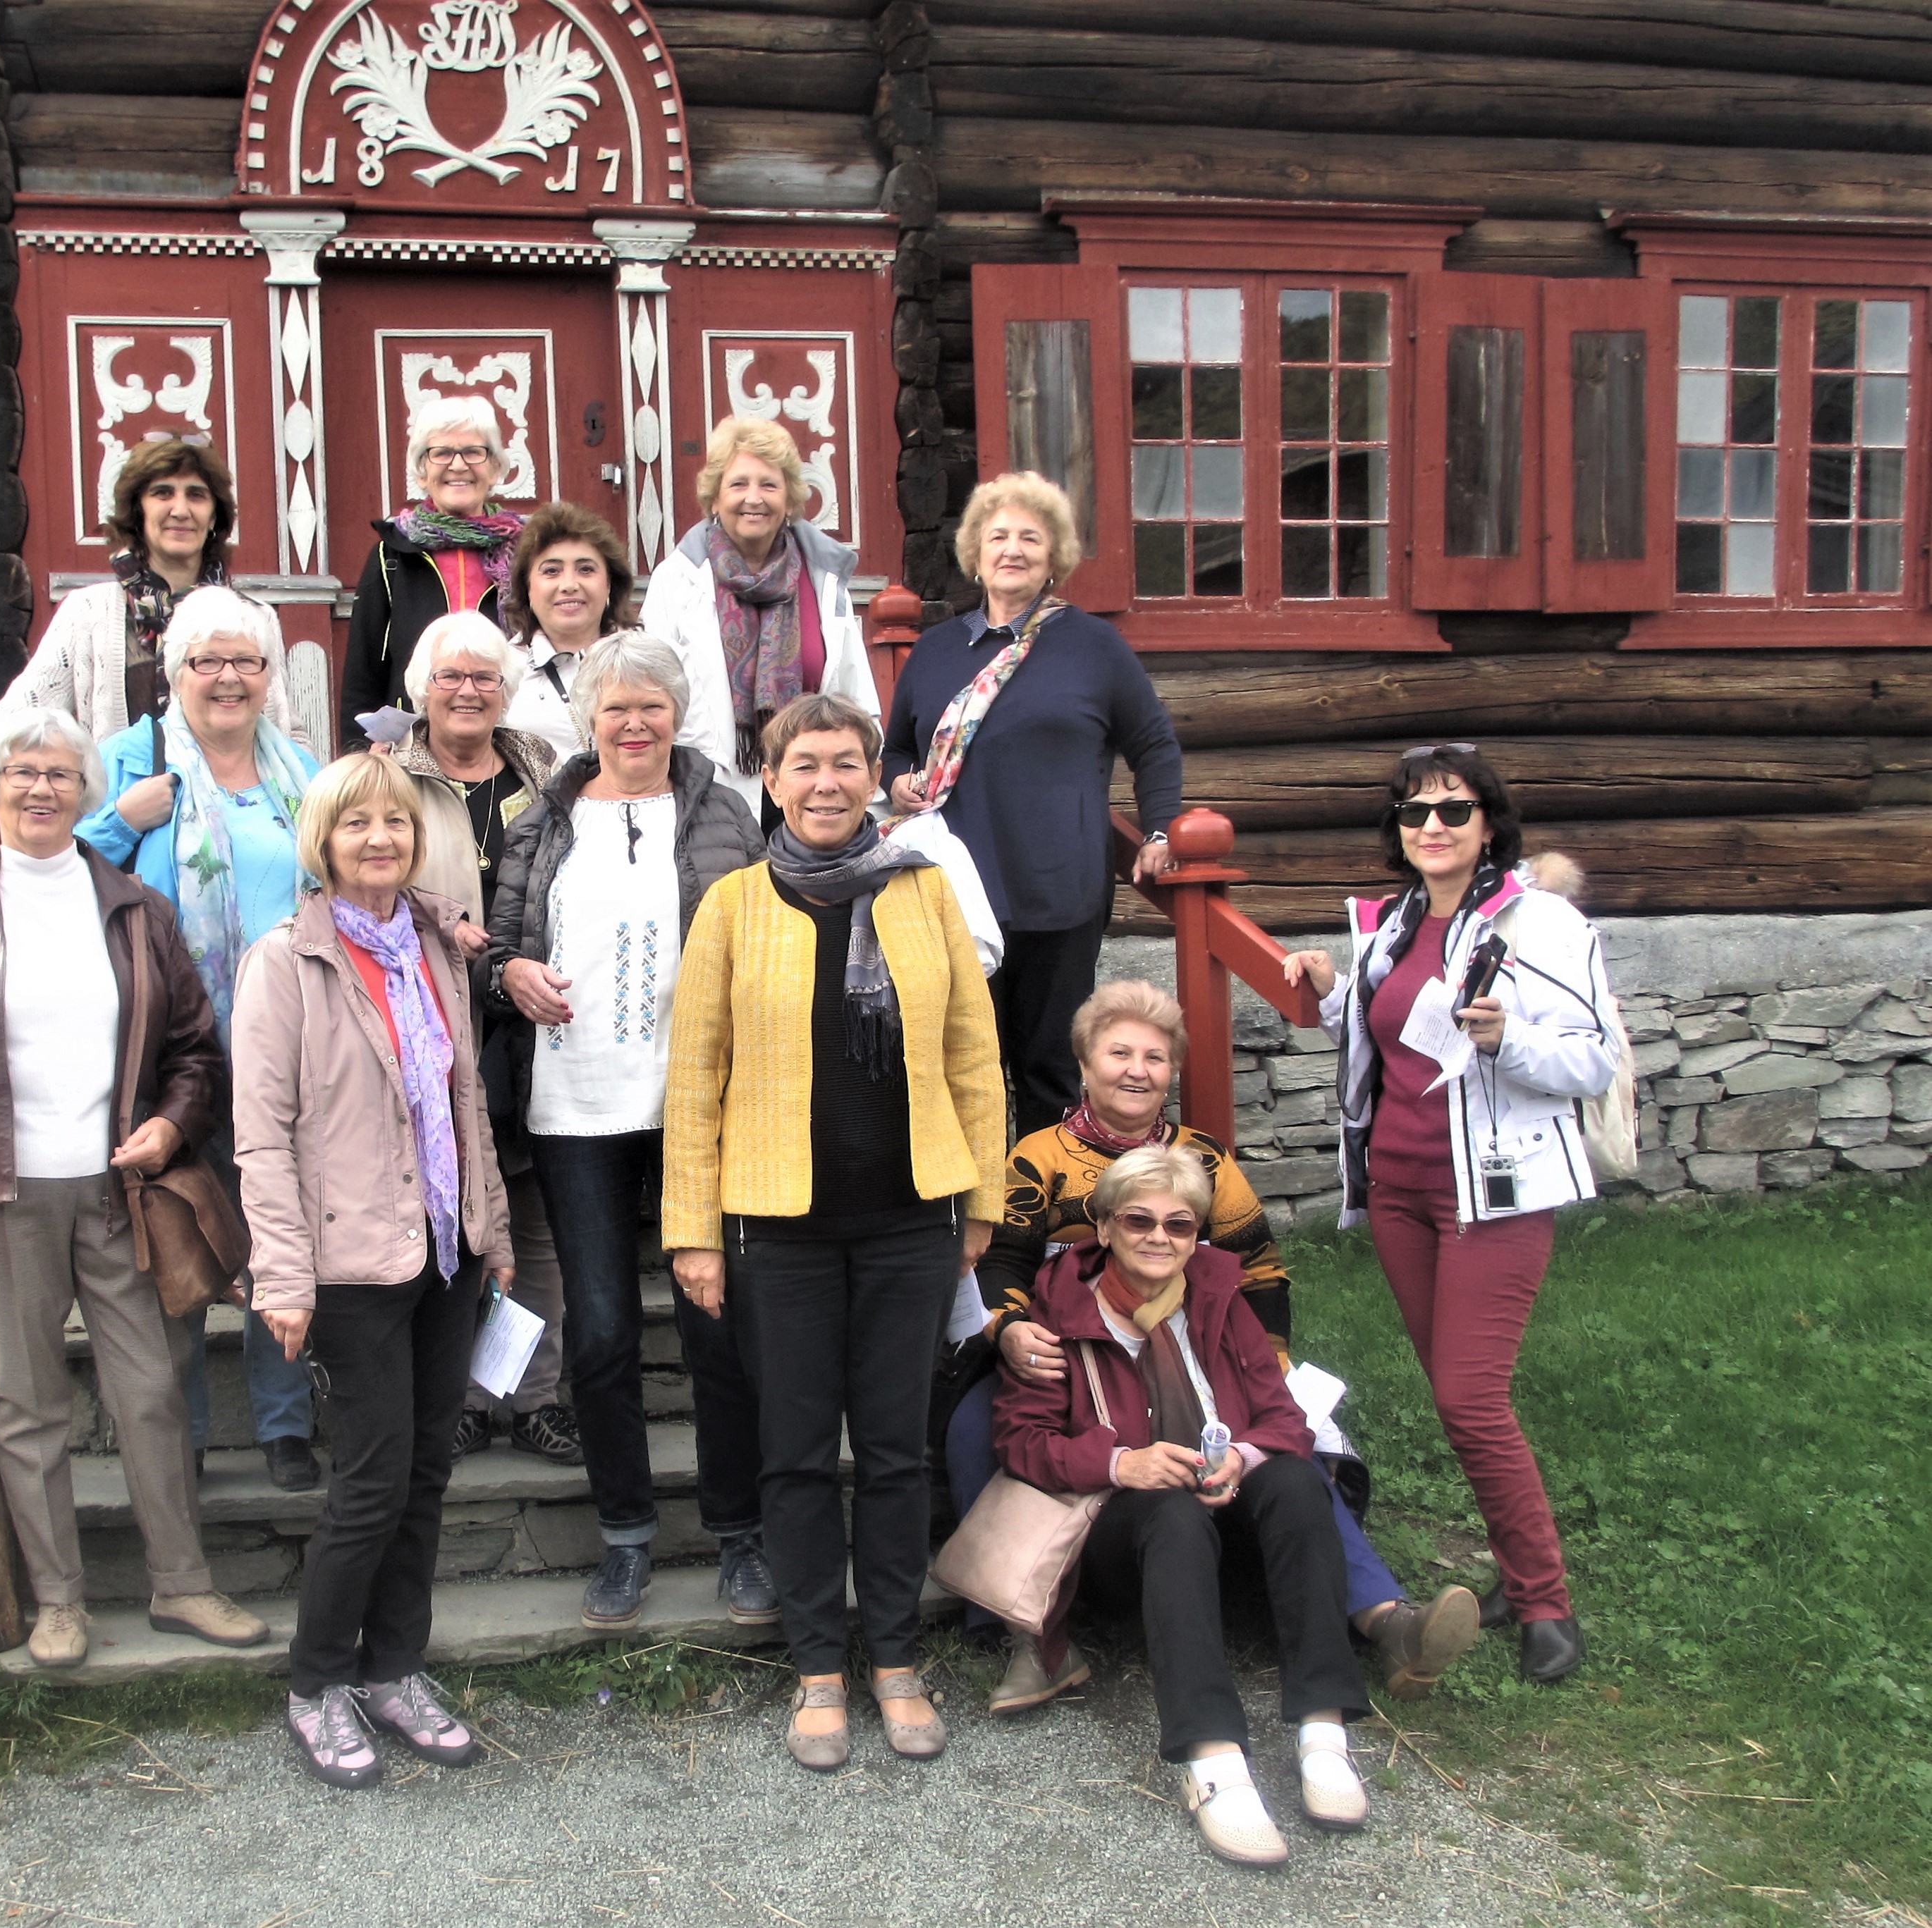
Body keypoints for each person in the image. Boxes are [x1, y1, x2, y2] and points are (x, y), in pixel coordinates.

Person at [951, 981, 1480, 1716]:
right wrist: (1010, 1328)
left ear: (1172, 1071)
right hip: (1063, 1343)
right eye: (1119, 1053)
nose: (1137, 1070)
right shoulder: (1038, 1155)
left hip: (1194, 1336)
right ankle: (1019, 1627)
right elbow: (999, 1258)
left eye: (1155, 1057)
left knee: (1292, 1443)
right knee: (976, 1425)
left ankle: (1383, 1616)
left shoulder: (1205, 1158)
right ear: (1085, 1065)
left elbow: (1258, 1267)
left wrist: (1267, 1359)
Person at [663, 693, 1006, 1772]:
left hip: (910, 1218)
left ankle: (894, 1656)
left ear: (872, 777)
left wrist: (982, 1201)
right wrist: (694, 1233)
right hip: (778, 1228)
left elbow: (972, 1054)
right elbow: (695, 1078)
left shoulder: (924, 891)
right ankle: (818, 1664)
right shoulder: (730, 904)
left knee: (897, 1451)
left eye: (845, 762)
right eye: (803, 763)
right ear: (768, 781)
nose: (825, 782)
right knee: (797, 1453)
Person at [0, 706, 266, 1671]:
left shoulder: (135, 907)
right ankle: (57, 1600)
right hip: (2, 1198)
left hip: (116, 1190)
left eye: (59, 773)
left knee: (151, 1392)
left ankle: (181, 1582)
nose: (41, 788)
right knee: (28, 1401)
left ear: (86, 791)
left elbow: (194, 1050)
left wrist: (171, 1125)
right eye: (22, 772)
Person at [1285, 746, 1618, 1688]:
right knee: (1459, 1398)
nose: (1432, 826)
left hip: (1494, 1191)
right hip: (1399, 1192)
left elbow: (1593, 1059)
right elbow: (1384, 1032)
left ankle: (1544, 1600)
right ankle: (1519, 1574)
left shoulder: (1540, 923)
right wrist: (1330, 990)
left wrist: (1510, 1039)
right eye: (1414, 812)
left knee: (1471, 1398)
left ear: (1489, 822)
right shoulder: (1391, 923)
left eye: (1452, 809)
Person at [233, 752, 513, 1789]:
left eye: (395, 821)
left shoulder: (435, 947)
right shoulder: (285, 962)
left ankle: (394, 1667)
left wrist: (492, 1228)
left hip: (444, 1250)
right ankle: (316, 1683)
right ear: (323, 841)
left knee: (426, 1473)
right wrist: (282, 1276)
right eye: (356, 824)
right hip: (349, 1261)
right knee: (371, 1479)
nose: (379, 839)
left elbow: (464, 1100)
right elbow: (261, 1134)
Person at [484, 634, 769, 1634]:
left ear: (676, 714)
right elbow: (499, 948)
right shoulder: (540, 819)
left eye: (652, 704)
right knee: (601, 1329)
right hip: (576, 1102)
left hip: (701, 1102)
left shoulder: (724, 811)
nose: (634, 722)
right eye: (615, 707)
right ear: (588, 719)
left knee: (717, 1326)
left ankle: (740, 1531)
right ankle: (625, 1533)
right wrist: (510, 973)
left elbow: (764, 934)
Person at [993, 1146, 1371, 1867]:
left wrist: (1242, 1457)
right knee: (1169, 1509)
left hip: (1222, 1513)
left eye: (1179, 1224)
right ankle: (1212, 1756)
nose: (1159, 1237)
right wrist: (1122, 1462)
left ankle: (1323, 1731)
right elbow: (1021, 1440)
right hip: (1122, 1534)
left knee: (1295, 1480)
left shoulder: (1219, 1295)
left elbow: (1283, 1417)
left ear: (1197, 1234)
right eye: (1138, 1220)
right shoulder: (1060, 1309)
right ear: (1104, 1226)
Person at [74, 586, 323, 1493]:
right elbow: (55, 873)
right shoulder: (126, 761)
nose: (226, 677)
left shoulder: (302, 770)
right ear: (175, 672)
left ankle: (284, 1422)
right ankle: (181, 1432)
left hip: (287, 1045)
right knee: (175, 1231)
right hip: (171, 1048)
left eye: (245, 661)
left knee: (279, 1232)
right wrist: (120, 819)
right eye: (206, 660)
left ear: (267, 675)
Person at [881, 471, 1185, 1139]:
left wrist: (1161, 830)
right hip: (957, 896)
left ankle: (1047, 1201)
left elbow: (1154, 744)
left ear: (1054, 557)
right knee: (967, 1070)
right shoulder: (935, 652)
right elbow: (897, 749)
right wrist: (899, 781)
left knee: (1048, 1067)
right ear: (976, 553)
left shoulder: (1093, 646)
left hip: (1059, 894)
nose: (1012, 549)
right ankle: (974, 1205)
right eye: (998, 537)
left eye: (1030, 537)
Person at [0, 438, 303, 854]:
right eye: (163, 493)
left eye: (196, 495)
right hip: (122, 849)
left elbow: (285, 736)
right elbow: (11, 722)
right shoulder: (90, 614)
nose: (180, 509)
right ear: (137, 511)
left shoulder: (253, 618)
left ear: (215, 516)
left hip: (237, 846)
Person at [385, 610, 580, 1468]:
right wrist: (441, 920)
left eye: (484, 677)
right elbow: (355, 878)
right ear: (421, 688)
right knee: (453, 1219)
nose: (467, 691)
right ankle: (462, 1398)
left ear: (506, 689)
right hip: (429, 1026)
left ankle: (532, 1395)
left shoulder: (547, 769)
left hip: (535, 1025)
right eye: (450, 676)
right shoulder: (387, 774)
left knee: (533, 1221)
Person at [638, 415, 879, 814]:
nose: (754, 498)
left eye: (769, 485)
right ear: (715, 500)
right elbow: (653, 693)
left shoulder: (824, 579)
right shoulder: (676, 580)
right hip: (708, 799)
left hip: (815, 793)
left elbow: (856, 698)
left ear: (789, 501)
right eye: (738, 484)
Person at [339, 396, 525, 748]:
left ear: (495, 468)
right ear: (422, 472)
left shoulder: (527, 553)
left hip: (505, 741)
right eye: (441, 453)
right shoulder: (391, 555)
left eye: (474, 452)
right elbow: (363, 672)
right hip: (410, 746)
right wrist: (360, 754)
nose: (458, 465)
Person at [499, 501, 644, 763]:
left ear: (610, 584)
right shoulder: (501, 671)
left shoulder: (651, 661)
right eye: (551, 571)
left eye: (586, 569)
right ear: (527, 587)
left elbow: (697, 754)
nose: (569, 585)